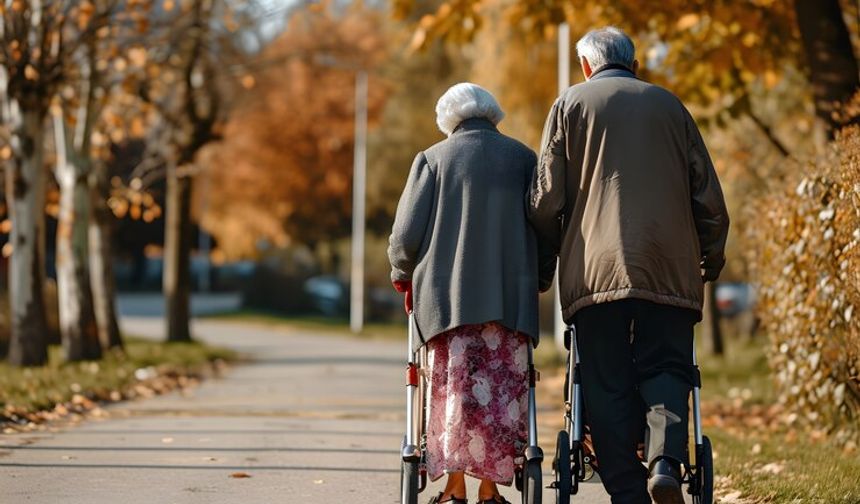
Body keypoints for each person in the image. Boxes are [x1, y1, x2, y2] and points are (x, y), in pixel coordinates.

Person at [528, 27, 730, 504]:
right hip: (669, 265)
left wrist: (549, 256)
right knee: (667, 366)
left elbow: (544, 200)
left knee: (605, 378)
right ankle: (664, 461)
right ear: (634, 65)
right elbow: (709, 198)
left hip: (596, 273)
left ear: (585, 66)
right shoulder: (672, 107)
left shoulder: (570, 105)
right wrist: (710, 257)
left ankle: (627, 491)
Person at [388, 83, 550, 504]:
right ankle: (490, 490)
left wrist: (401, 273)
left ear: (449, 119)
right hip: (509, 302)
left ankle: (454, 488)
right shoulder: (523, 160)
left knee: (454, 392)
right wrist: (542, 275)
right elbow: (544, 227)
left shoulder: (432, 160)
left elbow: (406, 237)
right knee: (500, 395)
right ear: (491, 114)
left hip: (448, 304)